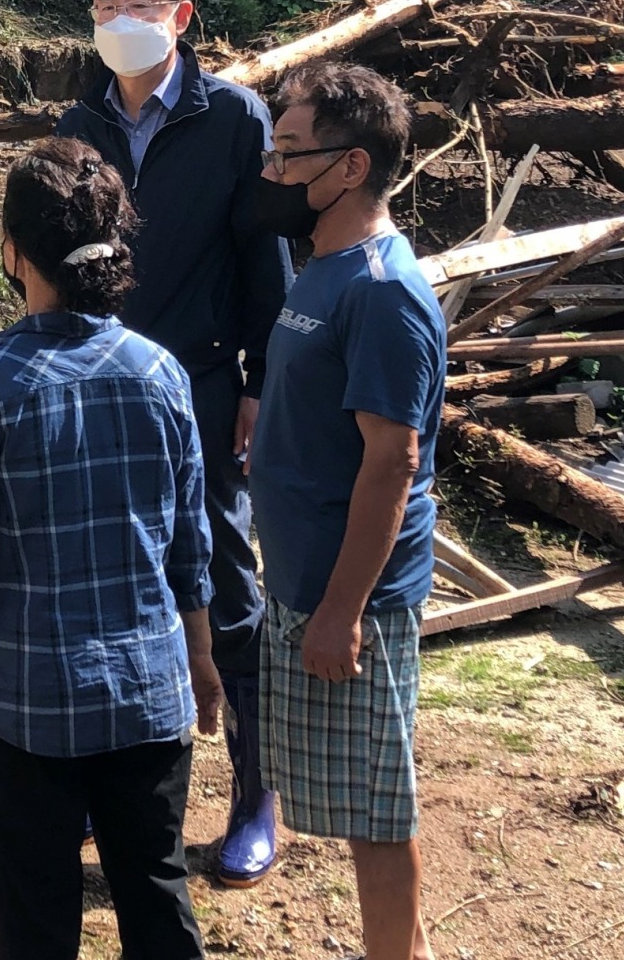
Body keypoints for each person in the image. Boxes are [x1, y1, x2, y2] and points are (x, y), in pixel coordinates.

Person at [0, 137, 224, 960]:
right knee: (155, 890)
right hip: (148, 688)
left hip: (28, 700)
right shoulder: (162, 372)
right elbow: (190, 545)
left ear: (13, 252)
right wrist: (200, 659)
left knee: (35, 903)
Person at [55, 0, 293, 887]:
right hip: (95, 382)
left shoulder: (235, 118)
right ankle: (104, 795)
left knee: (226, 587)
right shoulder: (78, 122)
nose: (122, 18)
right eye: (106, 1)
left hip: (197, 384)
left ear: (181, 16)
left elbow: (266, 262)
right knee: (104, 580)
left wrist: (257, 382)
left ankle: (256, 793)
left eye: (141, 2)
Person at [247, 63, 445, 960]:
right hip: (302, 572)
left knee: (375, 813)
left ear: (352, 166)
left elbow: (393, 459)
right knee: (353, 801)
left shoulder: (382, 291)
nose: (273, 171)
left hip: (350, 594)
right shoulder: (319, 268)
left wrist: (341, 610)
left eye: (290, 152)